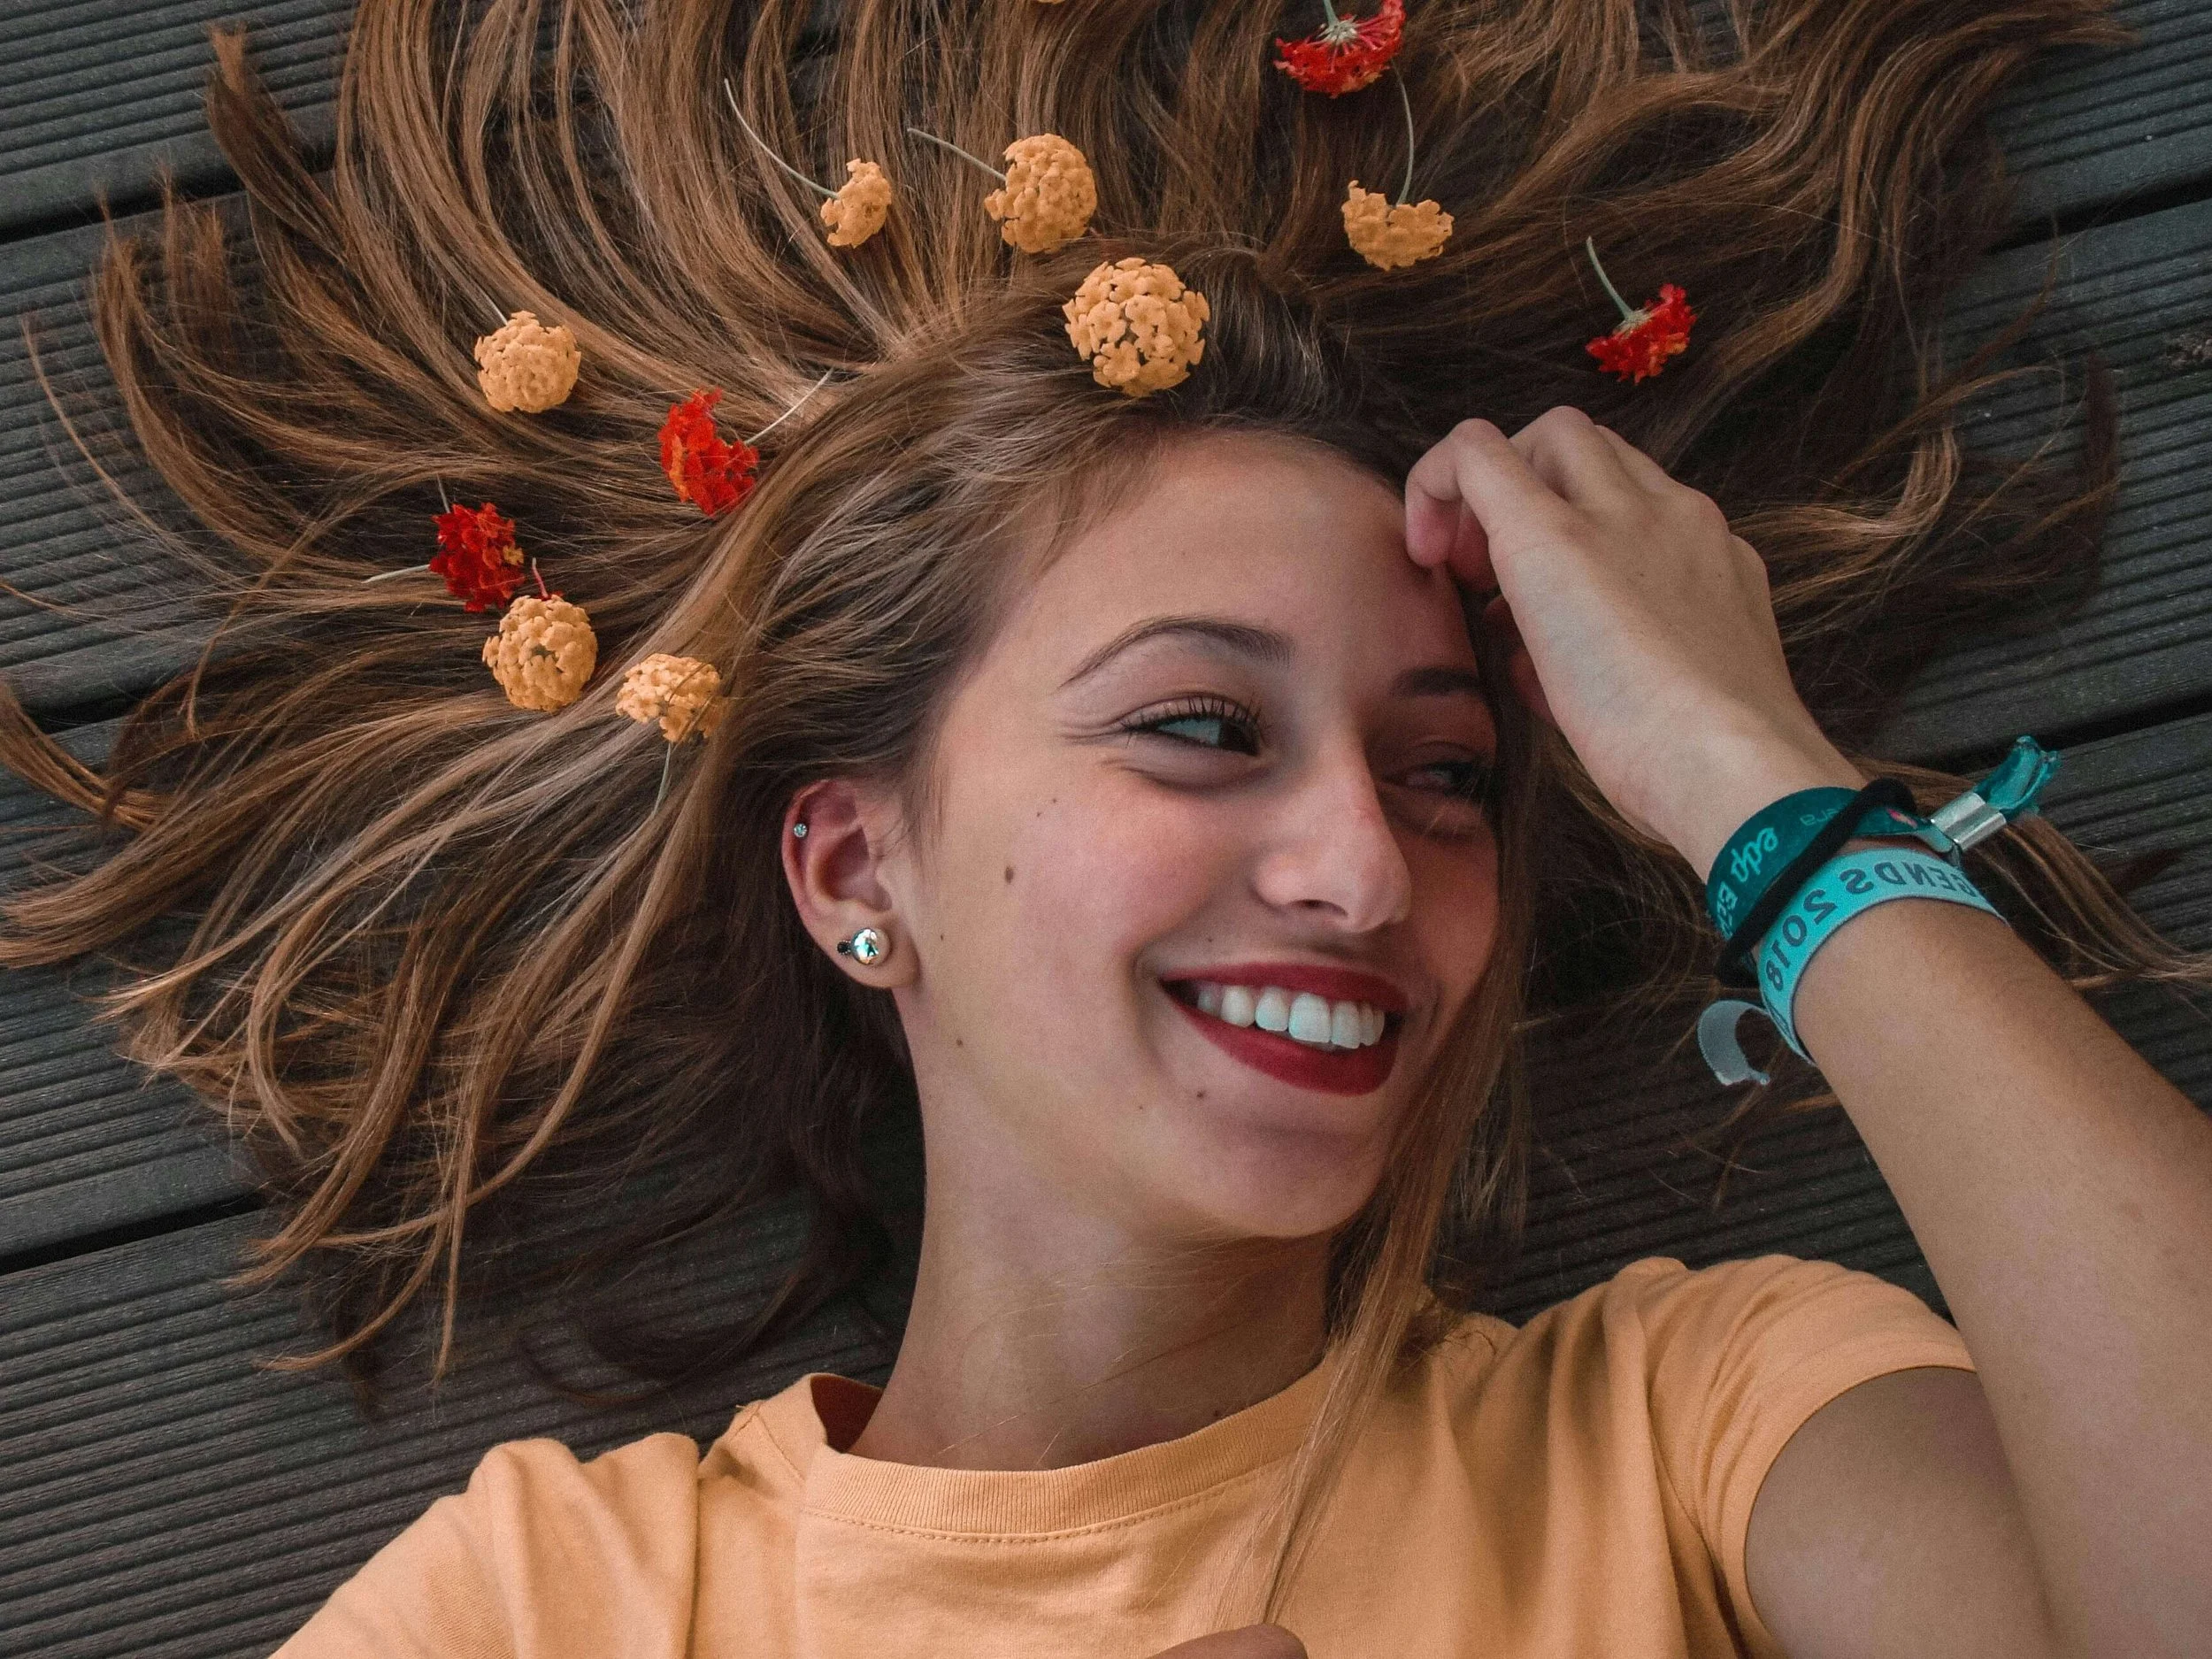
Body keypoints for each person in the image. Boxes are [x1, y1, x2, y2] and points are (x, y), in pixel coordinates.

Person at [1, 1, 2206, 1655]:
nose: (1364, 866)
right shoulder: (549, 1607)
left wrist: (1763, 792)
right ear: (858, 867)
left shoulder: (1694, 1424)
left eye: (1447, 772)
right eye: (1192, 727)